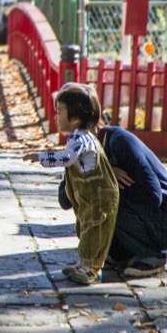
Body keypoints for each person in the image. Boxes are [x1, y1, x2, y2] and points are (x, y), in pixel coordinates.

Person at [23, 83, 119, 285]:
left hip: (99, 194)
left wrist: (40, 156)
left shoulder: (81, 138)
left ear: (74, 118)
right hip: (90, 193)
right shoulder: (77, 136)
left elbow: (66, 158)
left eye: (59, 112)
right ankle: (84, 263)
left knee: (95, 228)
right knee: (85, 226)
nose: (56, 117)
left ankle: (92, 268)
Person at [64, 125, 167, 278]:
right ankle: (116, 255)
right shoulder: (83, 153)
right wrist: (95, 171)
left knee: (106, 193)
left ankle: (151, 256)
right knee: (91, 190)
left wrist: (106, 178)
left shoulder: (120, 142)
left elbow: (153, 196)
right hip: (146, 215)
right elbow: (65, 200)